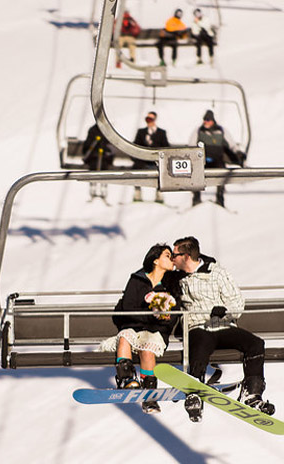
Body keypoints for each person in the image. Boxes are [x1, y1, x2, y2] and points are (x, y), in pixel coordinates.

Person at [171, 236, 269, 422]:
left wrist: (225, 311)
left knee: (255, 343)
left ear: (185, 256)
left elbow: (237, 302)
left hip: (222, 325)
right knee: (201, 342)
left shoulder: (216, 273)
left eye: (174, 255)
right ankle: (195, 391)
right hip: (198, 326)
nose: (172, 260)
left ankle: (252, 392)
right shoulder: (175, 278)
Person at [101, 244, 184, 414]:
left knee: (147, 351)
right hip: (133, 326)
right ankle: (127, 379)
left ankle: (149, 395)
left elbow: (175, 309)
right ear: (155, 260)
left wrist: (164, 317)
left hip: (157, 330)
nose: (172, 260)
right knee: (125, 338)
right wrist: (150, 315)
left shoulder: (172, 283)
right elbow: (128, 307)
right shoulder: (137, 280)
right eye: (168, 255)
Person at [188, 109, 245, 207]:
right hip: (202, 160)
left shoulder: (221, 130)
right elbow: (191, 144)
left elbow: (232, 144)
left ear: (213, 120)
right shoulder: (199, 131)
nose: (206, 122)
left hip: (217, 158)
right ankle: (196, 198)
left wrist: (238, 152)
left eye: (208, 120)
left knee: (221, 173)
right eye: (205, 119)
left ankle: (220, 199)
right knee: (196, 174)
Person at [131, 111, 170, 203]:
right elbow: (136, 145)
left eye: (151, 119)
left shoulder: (161, 133)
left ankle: (159, 192)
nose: (149, 121)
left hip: (156, 160)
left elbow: (166, 146)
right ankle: (137, 191)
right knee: (136, 168)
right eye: (147, 119)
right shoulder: (141, 132)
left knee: (162, 170)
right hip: (143, 160)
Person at [81, 123, 115, 202]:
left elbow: (111, 145)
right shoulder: (93, 130)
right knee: (94, 168)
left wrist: (107, 152)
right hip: (94, 157)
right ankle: (93, 189)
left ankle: (103, 190)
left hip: (104, 158)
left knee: (104, 169)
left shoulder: (108, 130)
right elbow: (87, 145)